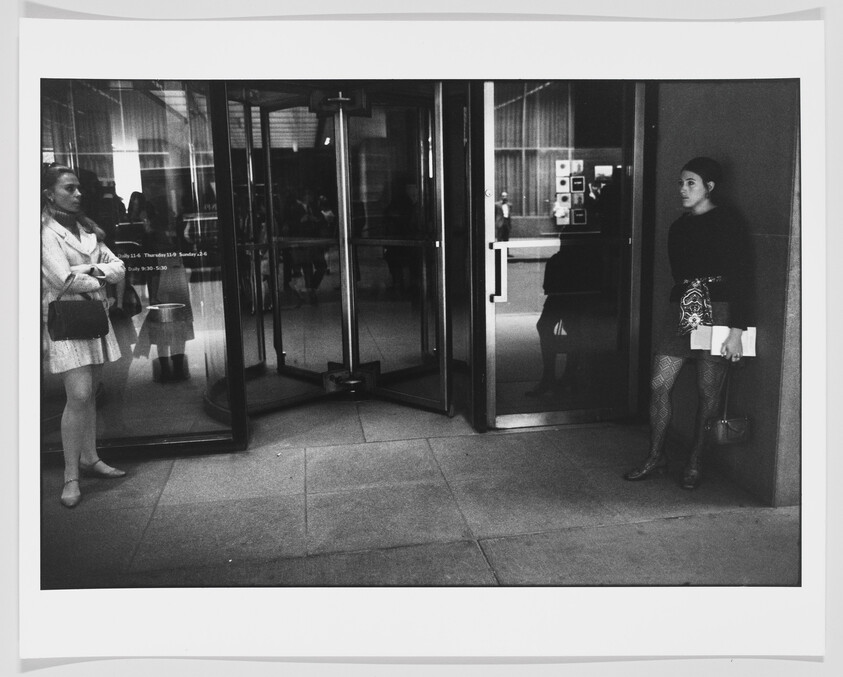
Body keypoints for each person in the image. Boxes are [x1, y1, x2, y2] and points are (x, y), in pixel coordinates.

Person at [623, 157, 752, 490]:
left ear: (708, 187)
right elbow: (679, 276)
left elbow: (744, 277)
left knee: (707, 392)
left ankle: (695, 461)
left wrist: (736, 331)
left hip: (720, 311)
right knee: (659, 384)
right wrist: (680, 313)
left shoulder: (729, 221)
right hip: (683, 311)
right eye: (680, 182)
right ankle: (656, 455)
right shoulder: (679, 226)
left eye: (690, 182)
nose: (682, 188)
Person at [41, 164, 127, 509]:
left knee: (90, 392)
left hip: (91, 317)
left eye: (78, 188)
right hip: (67, 322)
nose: (78, 194)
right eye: (69, 189)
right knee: (77, 394)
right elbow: (61, 280)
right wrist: (100, 277)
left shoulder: (88, 230)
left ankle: (90, 457)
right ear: (50, 194)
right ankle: (70, 476)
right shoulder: (44, 232)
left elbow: (119, 266)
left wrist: (89, 269)